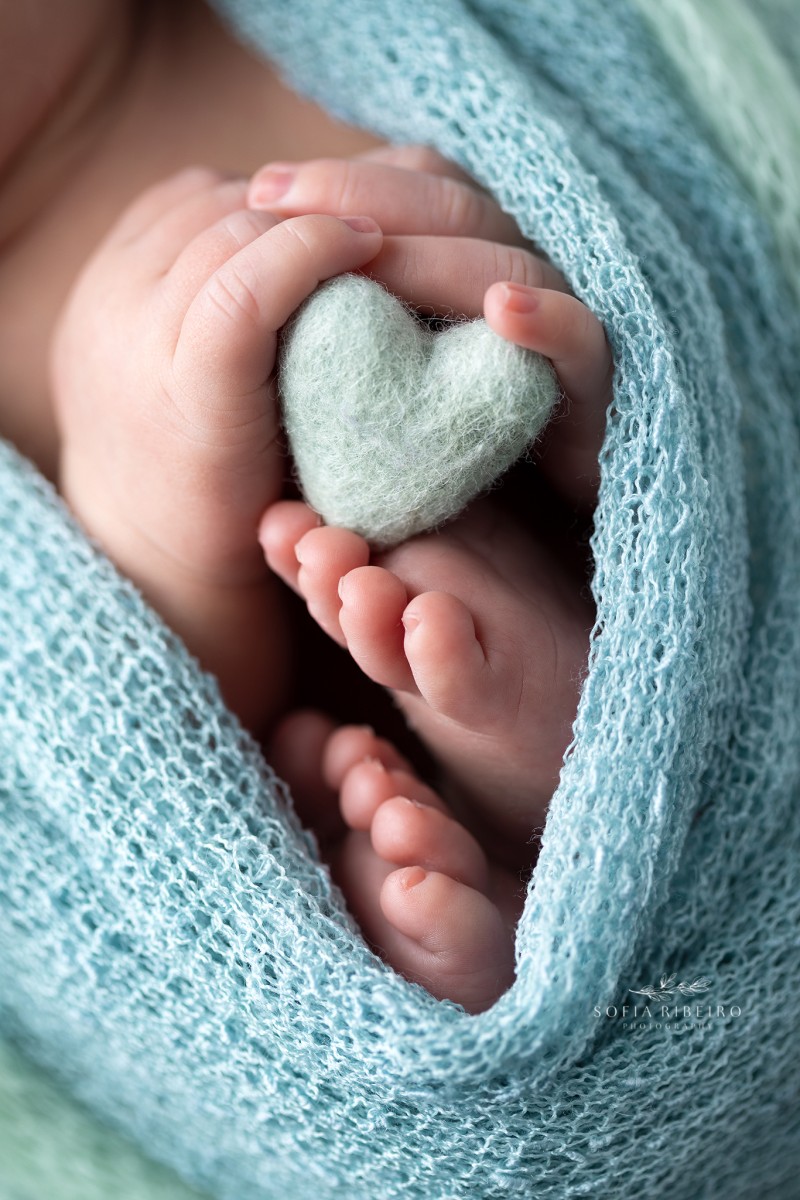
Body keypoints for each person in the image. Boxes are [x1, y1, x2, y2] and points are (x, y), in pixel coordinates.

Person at [2, 0, 612, 1012]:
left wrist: (604, 379)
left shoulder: (279, 29)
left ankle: (589, 745)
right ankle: (535, 809)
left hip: (544, 466)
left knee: (502, 523)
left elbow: (631, 154)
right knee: (324, 746)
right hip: (323, 692)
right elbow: (117, 766)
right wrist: (152, 530)